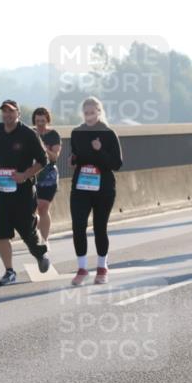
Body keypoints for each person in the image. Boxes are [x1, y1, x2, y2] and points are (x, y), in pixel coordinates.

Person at [0, 99, 51, 286]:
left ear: (18, 114)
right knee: (2, 233)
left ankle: (40, 253)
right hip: (3, 192)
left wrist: (25, 175)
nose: (7, 115)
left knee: (28, 231)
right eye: (4, 112)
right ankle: (9, 271)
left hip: (23, 192)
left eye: (11, 112)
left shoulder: (28, 134)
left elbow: (42, 160)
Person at [69, 96, 123, 286]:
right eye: (86, 113)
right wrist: (74, 159)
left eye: (93, 112)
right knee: (78, 226)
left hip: (104, 187)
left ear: (99, 112)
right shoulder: (76, 133)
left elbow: (117, 164)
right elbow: (77, 155)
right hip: (82, 186)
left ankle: (102, 267)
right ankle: (82, 268)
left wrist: (100, 150)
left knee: (100, 227)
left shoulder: (108, 133)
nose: (89, 116)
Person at [32, 107, 62, 242]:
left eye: (43, 121)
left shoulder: (53, 135)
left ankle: (44, 240)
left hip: (48, 176)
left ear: (47, 120)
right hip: (32, 175)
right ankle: (34, 237)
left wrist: (43, 147)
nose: (40, 124)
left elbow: (55, 157)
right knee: (33, 209)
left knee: (43, 207)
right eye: (37, 121)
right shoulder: (30, 134)